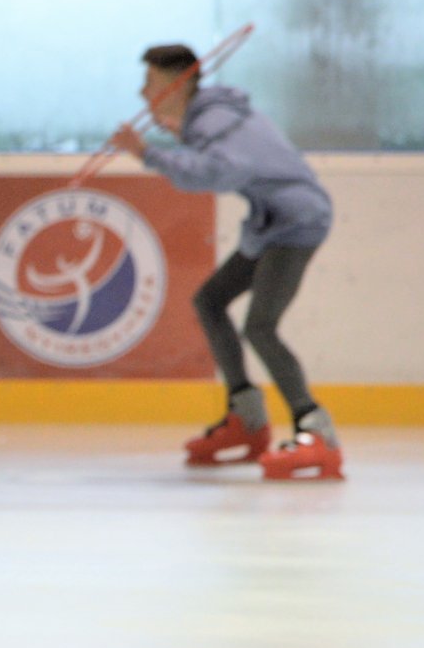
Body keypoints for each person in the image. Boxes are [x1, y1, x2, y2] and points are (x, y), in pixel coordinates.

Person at [113, 44, 341, 480]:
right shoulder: (210, 117)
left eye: (151, 83)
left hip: (295, 222)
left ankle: (317, 430)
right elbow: (227, 156)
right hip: (273, 223)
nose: (143, 93)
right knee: (210, 301)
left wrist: (148, 153)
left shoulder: (213, 118)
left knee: (260, 326)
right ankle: (248, 418)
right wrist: (181, 137)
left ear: (178, 83)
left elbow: (221, 171)